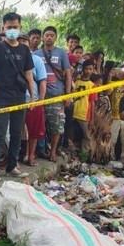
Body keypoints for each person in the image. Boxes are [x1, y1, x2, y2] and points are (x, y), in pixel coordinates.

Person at [0, 12, 34, 182]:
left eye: (15, 27)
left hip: (19, 96)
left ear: (20, 28)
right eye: (9, 27)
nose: (12, 30)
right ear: (3, 28)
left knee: (16, 133)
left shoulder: (25, 49)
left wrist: (32, 95)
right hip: (0, 97)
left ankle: (12, 166)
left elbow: (28, 73)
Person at [34, 26, 72, 161]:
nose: (49, 37)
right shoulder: (36, 54)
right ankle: (40, 151)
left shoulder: (61, 53)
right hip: (40, 96)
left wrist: (67, 95)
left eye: (52, 35)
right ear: (43, 38)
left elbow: (68, 74)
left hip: (57, 95)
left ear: (55, 37)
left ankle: (53, 152)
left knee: (56, 125)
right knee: (39, 125)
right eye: (47, 35)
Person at [23, 47, 47, 166]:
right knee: (17, 132)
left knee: (33, 131)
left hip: (34, 101)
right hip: (15, 101)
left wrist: (40, 102)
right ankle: (19, 156)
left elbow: (43, 81)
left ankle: (31, 155)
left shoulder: (36, 60)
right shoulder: (11, 58)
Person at [73, 59, 96, 154]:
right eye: (86, 68)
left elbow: (93, 102)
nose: (88, 71)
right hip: (74, 112)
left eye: (90, 69)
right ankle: (74, 154)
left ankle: (84, 157)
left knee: (87, 136)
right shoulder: (76, 82)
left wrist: (92, 118)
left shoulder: (92, 85)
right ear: (83, 69)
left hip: (85, 113)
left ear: (93, 70)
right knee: (74, 135)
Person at [108, 70, 124, 165]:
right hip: (114, 117)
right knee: (112, 140)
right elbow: (108, 91)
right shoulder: (114, 83)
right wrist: (110, 76)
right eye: (123, 71)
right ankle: (110, 159)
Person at [89, 73, 112, 163]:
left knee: (105, 139)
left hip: (105, 123)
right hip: (94, 121)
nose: (99, 85)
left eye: (100, 83)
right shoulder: (91, 96)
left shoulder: (105, 96)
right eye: (97, 83)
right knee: (94, 139)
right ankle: (94, 158)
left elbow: (108, 111)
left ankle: (104, 158)